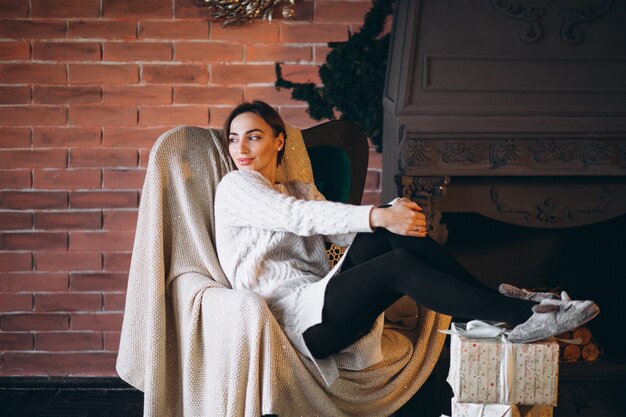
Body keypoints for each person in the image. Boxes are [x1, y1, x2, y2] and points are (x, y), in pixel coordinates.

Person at [214, 100, 599, 386]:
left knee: (389, 233)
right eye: (234, 139)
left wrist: (389, 212)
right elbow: (297, 216)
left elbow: (344, 232)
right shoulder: (234, 186)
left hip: (318, 297)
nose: (241, 149)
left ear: (278, 141)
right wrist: (379, 214)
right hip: (291, 323)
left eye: (254, 136)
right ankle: (517, 315)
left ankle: (504, 306)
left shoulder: (294, 187)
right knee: (395, 261)